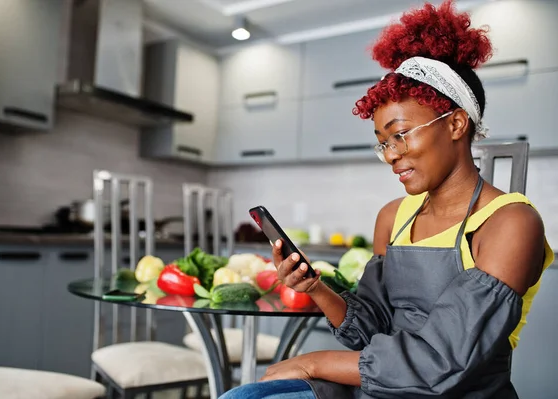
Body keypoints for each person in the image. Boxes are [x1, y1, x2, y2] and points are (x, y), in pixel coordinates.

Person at [219, 1, 554, 398]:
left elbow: (441, 363)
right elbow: (370, 331)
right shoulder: (394, 216)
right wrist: (316, 287)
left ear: (456, 124)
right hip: (379, 387)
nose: (391, 155)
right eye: (382, 143)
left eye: (400, 134)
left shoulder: (511, 223)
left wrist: (314, 362)